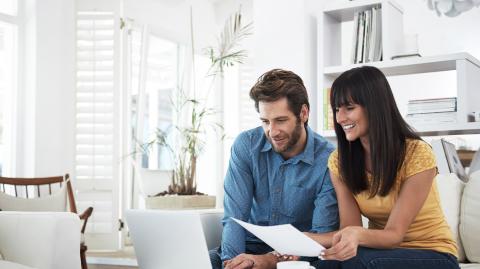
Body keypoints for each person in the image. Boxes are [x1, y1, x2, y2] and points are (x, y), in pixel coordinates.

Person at [309, 66, 460, 269]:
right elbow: (350, 230)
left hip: (434, 254)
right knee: (326, 266)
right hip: (381, 254)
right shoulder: (339, 161)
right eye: (337, 109)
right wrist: (304, 240)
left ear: (374, 106)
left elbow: (394, 236)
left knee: (358, 262)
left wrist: (355, 235)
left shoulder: (417, 153)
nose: (340, 118)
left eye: (349, 108)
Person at [209, 69, 339, 269]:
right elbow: (234, 218)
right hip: (248, 248)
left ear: (303, 113)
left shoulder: (329, 160)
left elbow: (320, 235)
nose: (272, 131)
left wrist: (270, 260)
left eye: (280, 120)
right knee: (205, 261)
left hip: (298, 256)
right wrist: (232, 263)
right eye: (265, 122)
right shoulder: (246, 145)